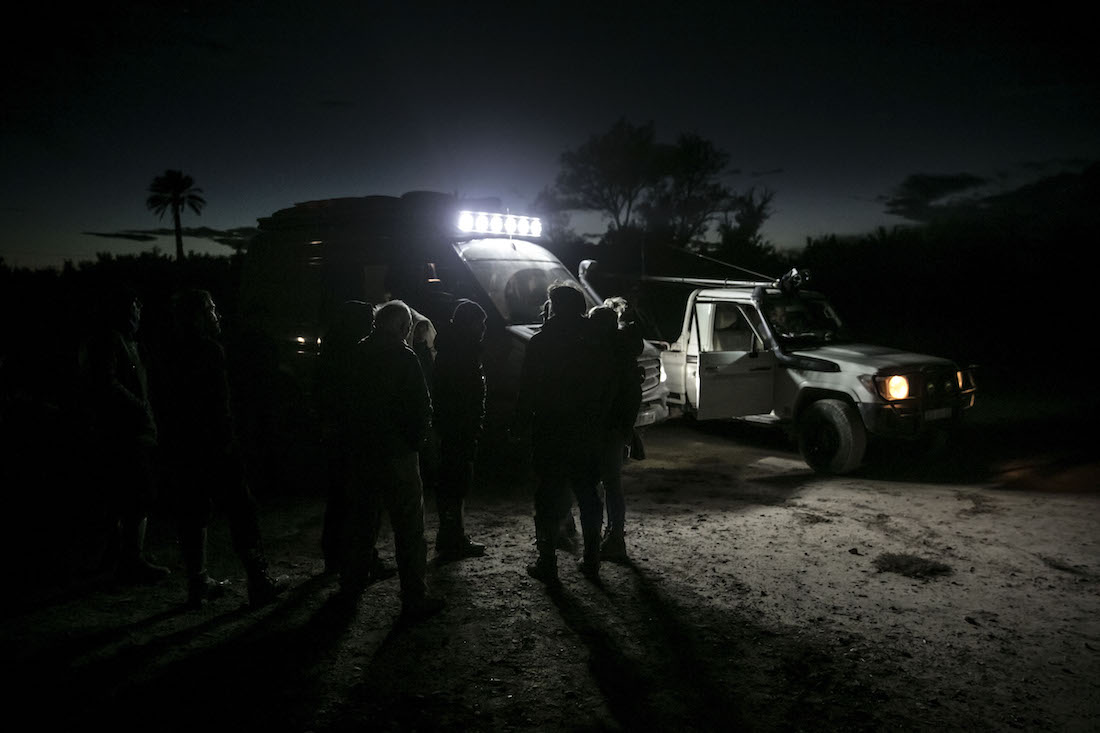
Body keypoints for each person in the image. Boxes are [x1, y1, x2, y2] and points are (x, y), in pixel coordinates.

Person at [154, 288, 285, 609]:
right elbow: (218, 404)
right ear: (199, 315)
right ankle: (258, 581)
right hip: (213, 445)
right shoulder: (209, 350)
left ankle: (197, 583)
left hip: (181, 445)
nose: (217, 315)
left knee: (192, 512)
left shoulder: (167, 351)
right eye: (211, 310)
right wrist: (230, 443)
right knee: (242, 510)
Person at [342, 300, 444, 622]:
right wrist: (418, 443)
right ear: (403, 327)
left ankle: (351, 586)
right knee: (409, 528)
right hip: (397, 453)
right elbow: (420, 407)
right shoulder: (404, 356)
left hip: (361, 452)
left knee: (361, 522)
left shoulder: (356, 353)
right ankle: (414, 596)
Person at [516, 282, 614, 584]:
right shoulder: (595, 342)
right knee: (588, 494)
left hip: (551, 428)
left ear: (554, 306)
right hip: (586, 429)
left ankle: (547, 561)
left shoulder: (541, 341)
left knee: (548, 495)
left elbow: (528, 388)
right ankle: (592, 558)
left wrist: (520, 423)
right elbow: (607, 385)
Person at [83, 283, 171, 585]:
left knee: (129, 497)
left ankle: (122, 554)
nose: (139, 310)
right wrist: (138, 406)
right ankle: (130, 560)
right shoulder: (111, 341)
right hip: (124, 433)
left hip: (137, 430)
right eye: (135, 304)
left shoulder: (131, 342)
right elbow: (105, 384)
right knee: (137, 496)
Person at [315, 300, 395, 583]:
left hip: (338, 436)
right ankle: (363, 559)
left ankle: (334, 556)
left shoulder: (331, 351)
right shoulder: (360, 354)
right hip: (359, 436)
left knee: (339, 498)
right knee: (364, 500)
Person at [431, 299, 488, 561]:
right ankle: (453, 537)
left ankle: (451, 534)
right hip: (459, 426)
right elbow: (464, 393)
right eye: (481, 323)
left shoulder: (453, 347)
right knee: (456, 481)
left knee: (453, 481)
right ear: (470, 323)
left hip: (454, 425)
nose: (484, 328)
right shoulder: (463, 351)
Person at [589, 301, 644, 563]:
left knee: (598, 483)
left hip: (603, 427)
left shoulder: (605, 354)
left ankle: (608, 538)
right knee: (612, 484)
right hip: (616, 427)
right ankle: (614, 536)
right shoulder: (624, 353)